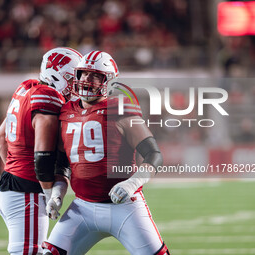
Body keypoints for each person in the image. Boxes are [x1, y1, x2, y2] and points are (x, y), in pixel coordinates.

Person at [42, 51, 170, 255]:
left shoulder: (119, 108)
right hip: (82, 207)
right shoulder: (66, 111)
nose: (86, 79)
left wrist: (132, 183)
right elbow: (62, 164)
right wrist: (57, 194)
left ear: (108, 81)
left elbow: (154, 155)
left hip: (125, 207)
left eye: (94, 75)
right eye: (83, 73)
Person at [0, 47, 82, 255]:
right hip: (27, 193)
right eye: (73, 78)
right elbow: (43, 159)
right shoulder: (48, 98)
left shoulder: (27, 88)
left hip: (8, 186)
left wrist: (15, 169)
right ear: (58, 75)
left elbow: (0, 136)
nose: (76, 85)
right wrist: (49, 193)